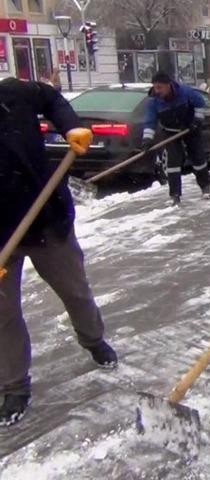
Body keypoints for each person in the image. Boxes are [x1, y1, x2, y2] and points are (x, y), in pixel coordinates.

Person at [0, 78, 118, 427]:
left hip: (45, 219)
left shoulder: (15, 95)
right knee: (3, 314)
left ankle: (93, 339)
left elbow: (52, 98)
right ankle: (14, 385)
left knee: (76, 292)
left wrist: (71, 127)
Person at [143, 71, 210, 206]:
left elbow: (200, 104)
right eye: (155, 87)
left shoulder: (185, 92)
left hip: (190, 128)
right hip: (170, 131)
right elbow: (150, 122)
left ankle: (205, 187)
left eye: (160, 87)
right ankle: (175, 195)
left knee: (198, 158)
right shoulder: (153, 101)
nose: (157, 91)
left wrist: (197, 121)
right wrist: (146, 140)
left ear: (168, 85)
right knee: (173, 162)